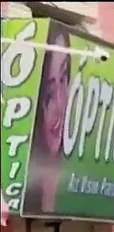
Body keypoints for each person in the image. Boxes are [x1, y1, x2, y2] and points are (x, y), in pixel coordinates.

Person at [24, 25, 72, 215]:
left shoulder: (75, 183)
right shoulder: (26, 189)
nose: (60, 102)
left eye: (64, 77)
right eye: (49, 94)